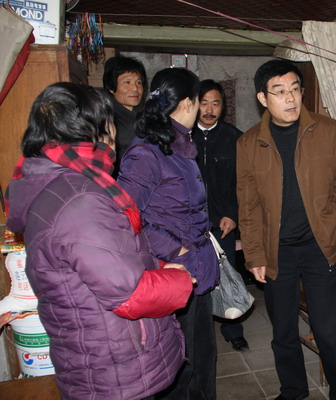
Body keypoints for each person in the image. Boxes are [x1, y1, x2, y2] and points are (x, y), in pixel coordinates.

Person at [5, 82, 193, 400]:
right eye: (109, 122)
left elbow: (106, 263)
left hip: (100, 357)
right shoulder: (80, 200)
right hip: (115, 370)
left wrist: (158, 266)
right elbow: (129, 294)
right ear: (96, 129)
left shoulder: (59, 184)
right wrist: (180, 279)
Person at [237, 59, 336, 400]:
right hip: (277, 253)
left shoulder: (327, 130)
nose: (290, 98)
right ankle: (293, 390)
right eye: (279, 92)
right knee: (283, 331)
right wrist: (255, 255)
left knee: (330, 332)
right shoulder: (249, 143)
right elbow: (248, 206)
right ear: (263, 98)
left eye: (294, 89)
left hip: (321, 247)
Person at [118, 68, 219, 400]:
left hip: (195, 269)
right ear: (188, 103)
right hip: (171, 271)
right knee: (179, 364)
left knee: (203, 356)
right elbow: (125, 217)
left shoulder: (179, 144)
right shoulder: (146, 152)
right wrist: (177, 250)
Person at [191, 79, 248, 352]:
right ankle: (196, 331)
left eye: (215, 103)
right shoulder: (182, 136)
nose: (209, 109)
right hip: (190, 222)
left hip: (223, 222)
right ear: (194, 104)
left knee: (228, 274)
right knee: (193, 277)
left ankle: (233, 329)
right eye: (204, 103)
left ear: (222, 107)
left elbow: (243, 183)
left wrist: (233, 214)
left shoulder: (235, 138)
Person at [102, 56, 147, 174]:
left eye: (139, 82)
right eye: (127, 82)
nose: (135, 88)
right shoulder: (106, 117)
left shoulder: (147, 113)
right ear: (112, 88)